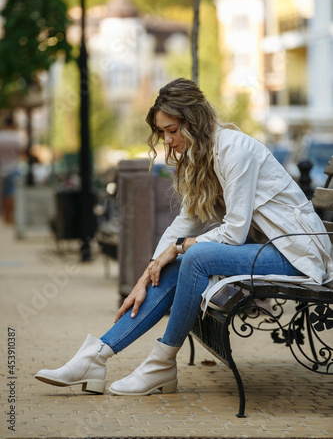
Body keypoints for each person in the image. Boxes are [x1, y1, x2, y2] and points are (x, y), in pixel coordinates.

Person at [35, 78, 333, 396]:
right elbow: (185, 222)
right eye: (163, 132)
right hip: (265, 250)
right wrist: (146, 275)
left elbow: (233, 232)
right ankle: (96, 357)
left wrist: (178, 249)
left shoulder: (235, 150)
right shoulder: (201, 156)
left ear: (194, 122)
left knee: (195, 256)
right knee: (179, 262)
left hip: (296, 254)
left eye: (173, 130)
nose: (167, 139)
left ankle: (161, 364)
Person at [0, 116, 24, 224]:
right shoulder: (16, 137)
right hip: (13, 167)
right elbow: (21, 152)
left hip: (2, 168)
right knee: (12, 193)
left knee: (4, 193)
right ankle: (11, 216)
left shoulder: (1, 136)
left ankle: (6, 216)